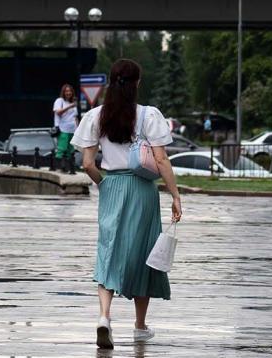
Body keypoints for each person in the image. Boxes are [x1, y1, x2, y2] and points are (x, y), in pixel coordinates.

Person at [72, 59, 182, 349]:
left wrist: (104, 183)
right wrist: (175, 195)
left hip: (112, 186)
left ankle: (105, 317)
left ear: (111, 82)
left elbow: (86, 164)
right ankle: (139, 326)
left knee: (108, 249)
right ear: (137, 84)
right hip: (143, 189)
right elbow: (160, 159)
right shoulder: (149, 115)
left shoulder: (96, 116)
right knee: (143, 252)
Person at [53, 84, 78, 166]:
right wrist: (70, 106)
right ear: (63, 92)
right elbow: (58, 112)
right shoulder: (59, 101)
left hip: (72, 129)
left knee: (70, 149)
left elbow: (75, 117)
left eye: (70, 91)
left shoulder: (73, 103)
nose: (68, 93)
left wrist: (77, 129)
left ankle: (69, 167)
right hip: (63, 128)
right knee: (62, 148)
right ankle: (59, 166)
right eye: (66, 91)